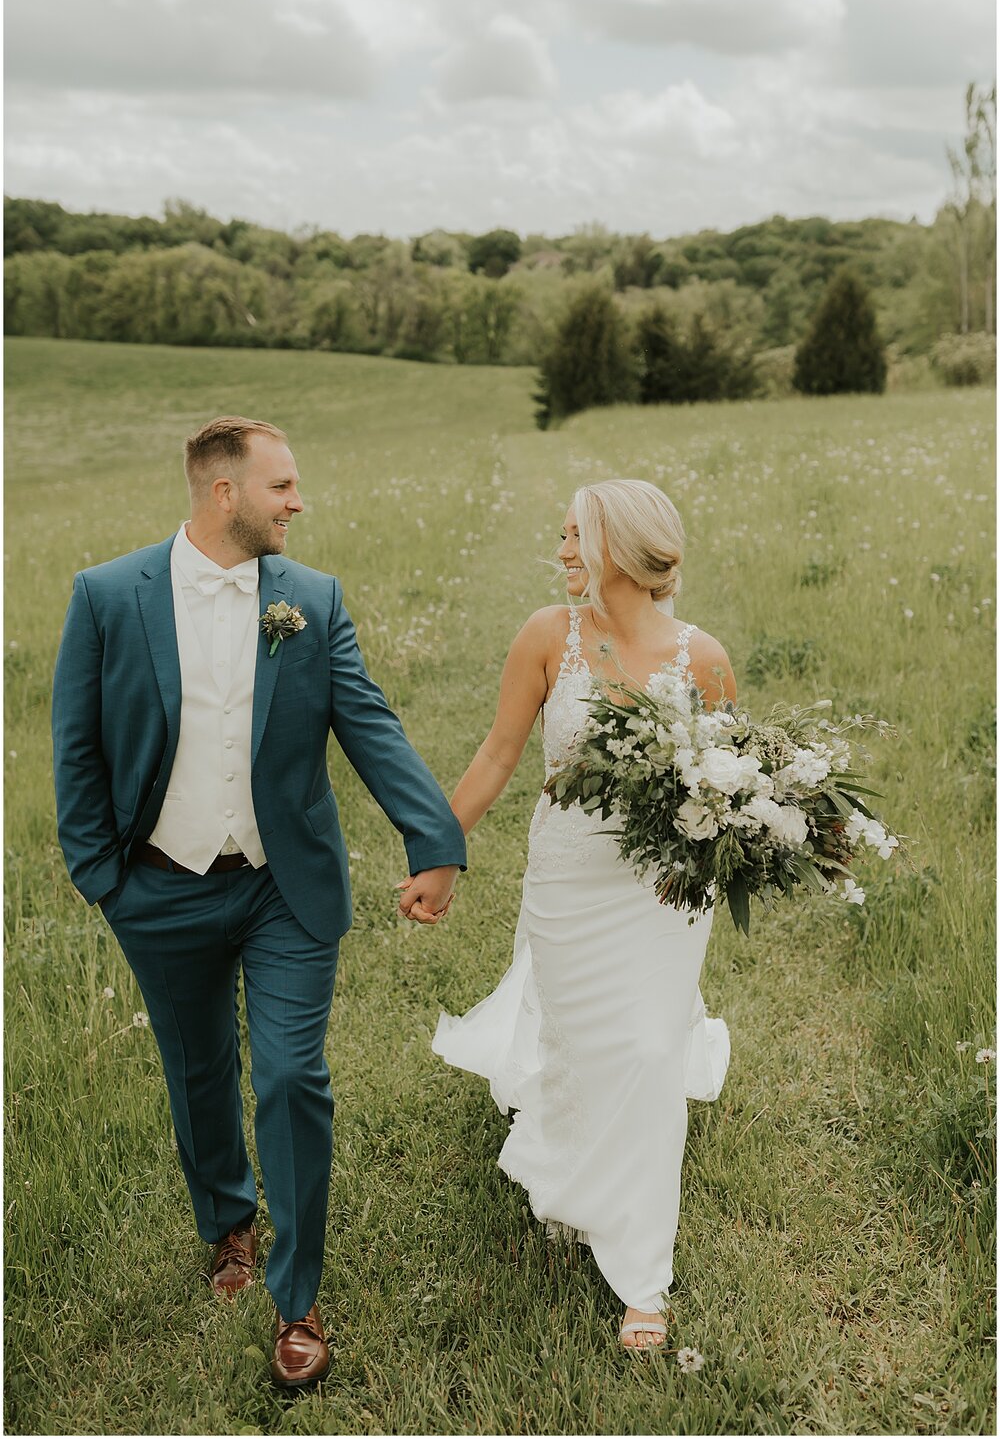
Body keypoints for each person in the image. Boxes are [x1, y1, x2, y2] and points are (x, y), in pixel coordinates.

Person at [51, 416, 464, 1388]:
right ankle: (227, 1224)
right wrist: (102, 877)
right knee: (198, 1069)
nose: (298, 501)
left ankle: (298, 1295)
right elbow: (76, 746)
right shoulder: (109, 596)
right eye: (281, 485)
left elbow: (366, 720)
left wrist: (434, 839)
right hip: (157, 886)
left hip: (285, 884)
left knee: (290, 1077)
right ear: (221, 492)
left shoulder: (310, 599)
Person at [432, 478, 733, 1352]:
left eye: (576, 535)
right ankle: (577, 1165)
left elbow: (725, 786)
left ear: (627, 548)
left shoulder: (702, 658)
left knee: (646, 1047)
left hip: (663, 888)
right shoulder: (545, 637)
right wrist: (439, 851)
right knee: (576, 1040)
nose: (562, 550)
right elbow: (497, 753)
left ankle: (643, 1281)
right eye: (560, 534)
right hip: (566, 876)